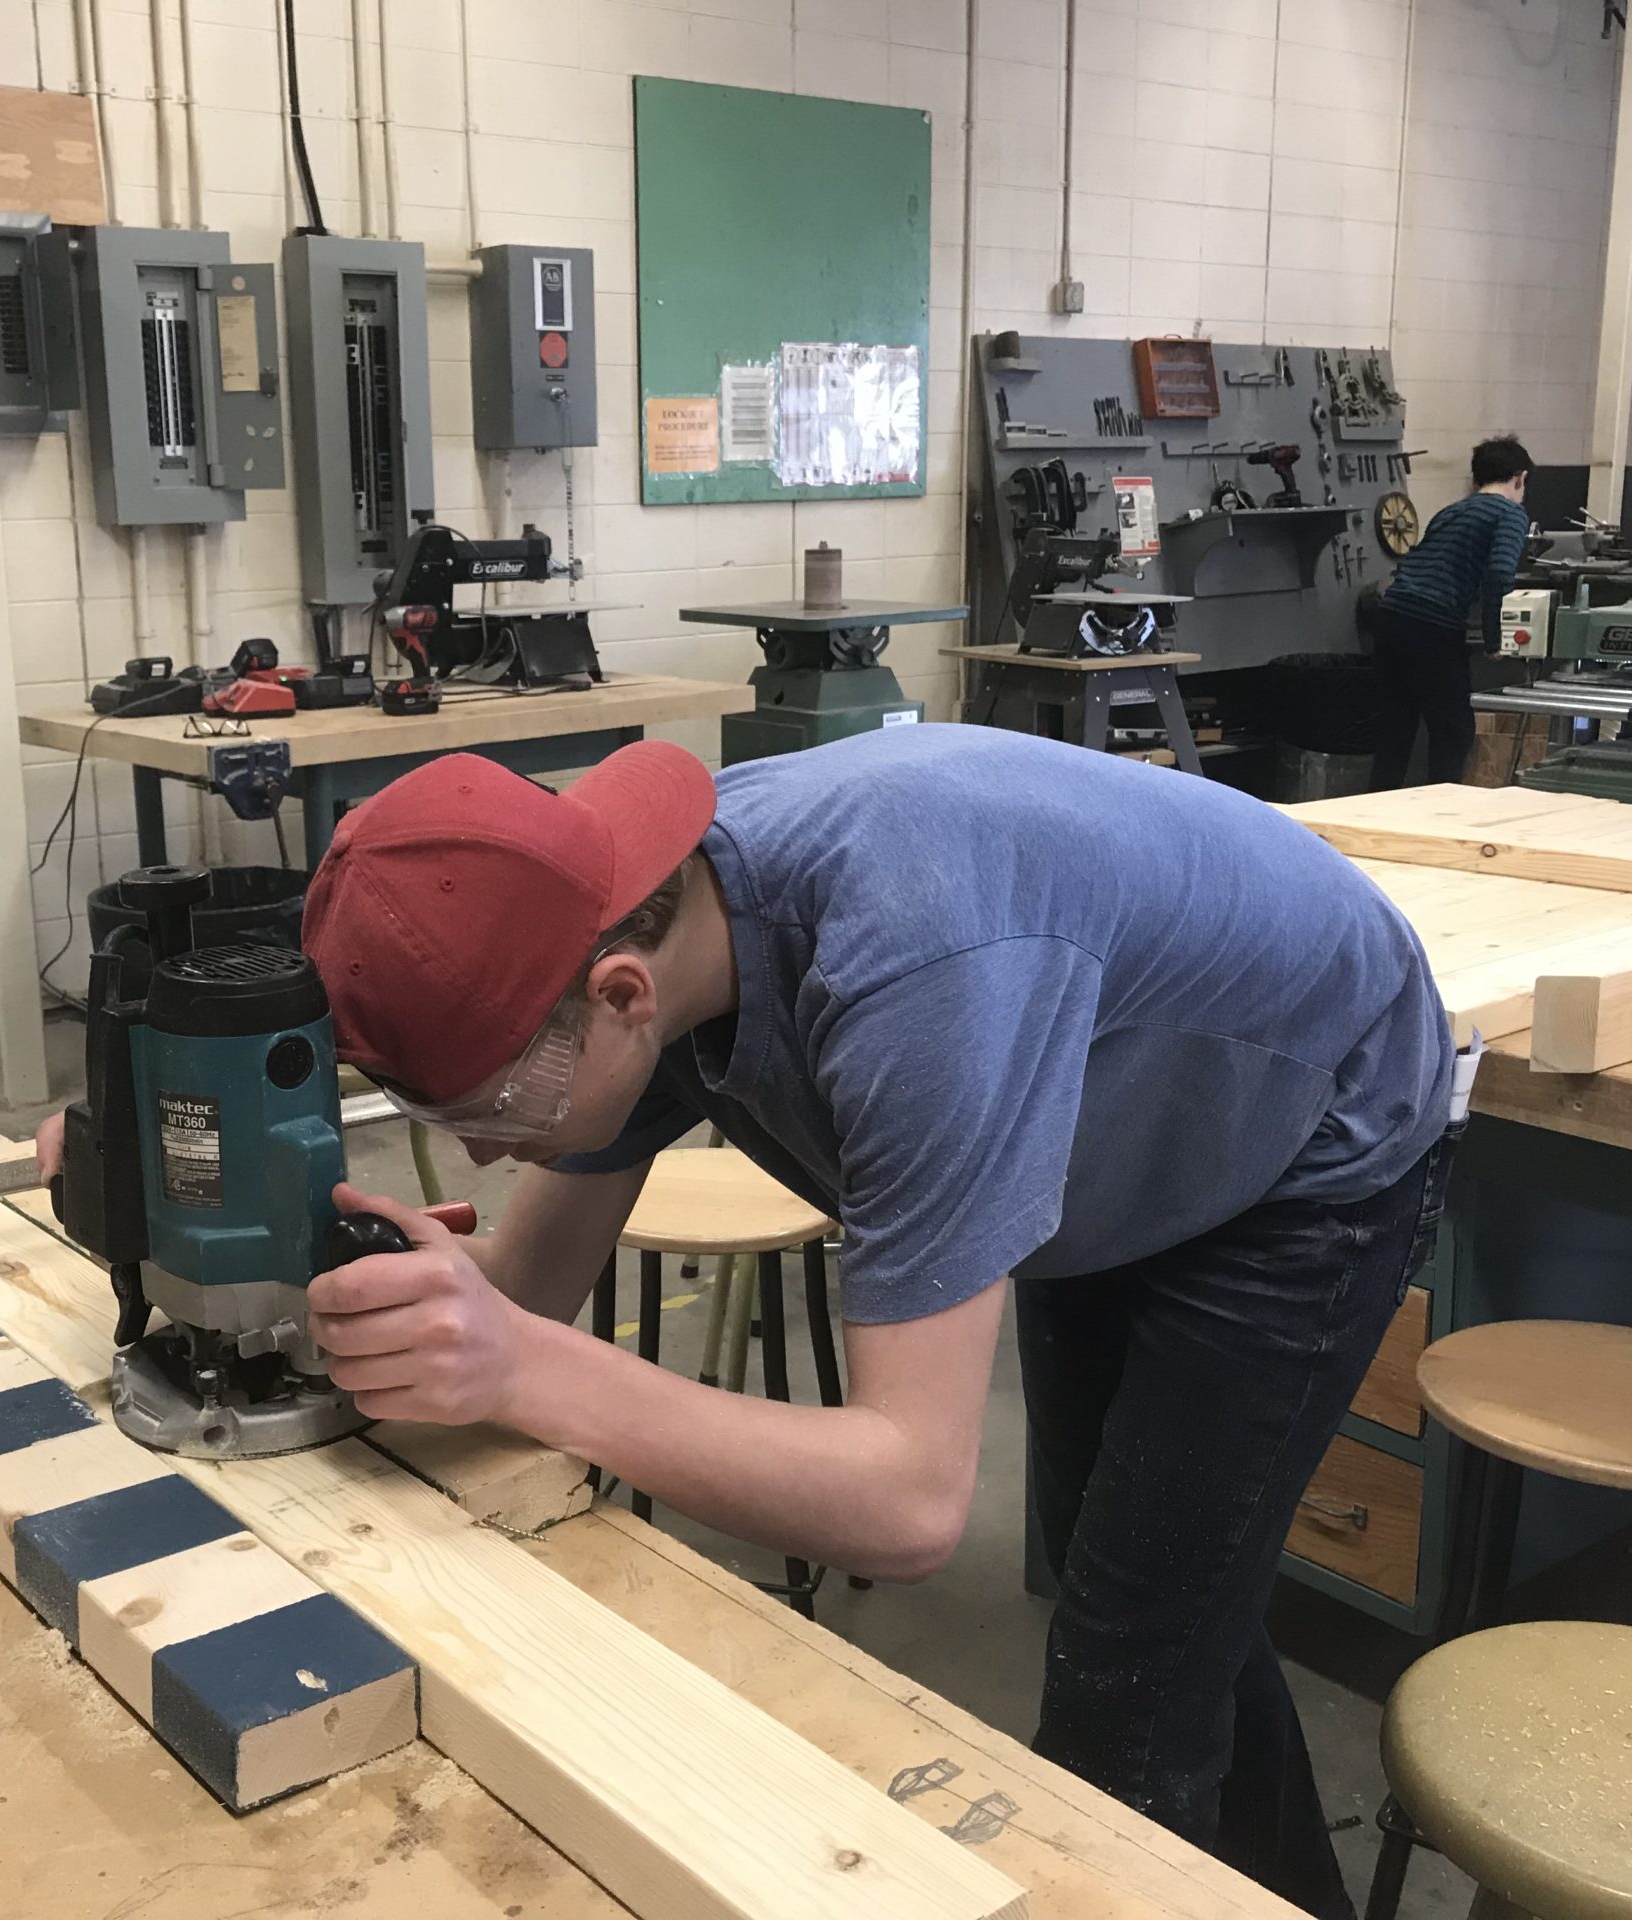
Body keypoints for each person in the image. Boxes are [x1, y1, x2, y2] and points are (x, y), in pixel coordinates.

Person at [272, 724, 1462, 1918]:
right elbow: (527, 1289)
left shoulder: (911, 984)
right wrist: (409, 1298)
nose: (483, 1153)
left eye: (495, 1106)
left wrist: (524, 1367)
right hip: (1103, 1094)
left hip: (1308, 1128)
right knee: (1156, 1587)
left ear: (620, 994)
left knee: (1127, 1696)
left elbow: (908, 1502)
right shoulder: (626, 917)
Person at [1370, 435, 1532, 788]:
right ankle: (1441, 811)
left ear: (1475, 479)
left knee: (1396, 730)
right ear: (1521, 478)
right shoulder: (1510, 513)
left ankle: (1374, 810)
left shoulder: (1452, 511)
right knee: (1454, 733)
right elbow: (1500, 574)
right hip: (1432, 626)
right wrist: (1494, 639)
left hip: (1392, 615)